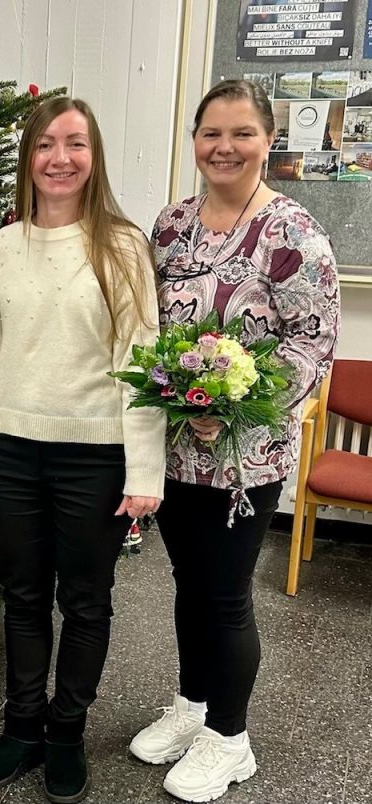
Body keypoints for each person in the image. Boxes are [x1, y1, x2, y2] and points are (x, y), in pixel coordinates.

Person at [130, 79, 339, 803]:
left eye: (242, 133)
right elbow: (149, 326)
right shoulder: (171, 226)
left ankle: (230, 739)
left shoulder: (293, 234)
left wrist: (240, 407)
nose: (225, 147)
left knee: (224, 595)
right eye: (211, 133)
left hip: (244, 457)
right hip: (174, 448)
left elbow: (312, 343)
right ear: (194, 140)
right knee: (189, 584)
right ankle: (192, 706)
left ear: (268, 140)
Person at [0, 96, 166, 803]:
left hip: (94, 455)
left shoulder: (122, 246)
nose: (60, 158)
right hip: (10, 450)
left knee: (85, 602)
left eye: (75, 143)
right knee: (22, 597)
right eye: (46, 144)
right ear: (28, 156)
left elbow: (141, 360)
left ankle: (66, 732)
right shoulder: (3, 246)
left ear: (94, 156)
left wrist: (144, 470)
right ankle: (22, 726)